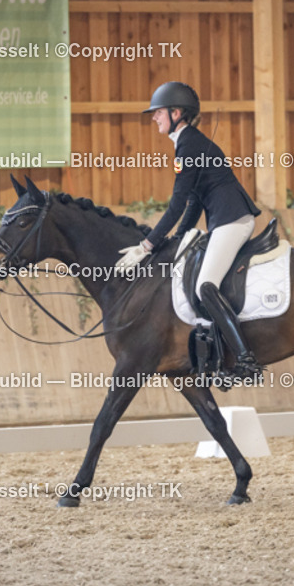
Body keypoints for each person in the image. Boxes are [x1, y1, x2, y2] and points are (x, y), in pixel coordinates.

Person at [115, 81, 262, 378]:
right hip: (225, 218)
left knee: (205, 285)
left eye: (158, 112)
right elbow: (193, 201)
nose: (154, 117)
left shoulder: (189, 144)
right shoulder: (189, 142)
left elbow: (177, 204)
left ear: (177, 113)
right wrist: (178, 238)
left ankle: (246, 359)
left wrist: (148, 246)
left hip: (232, 219)